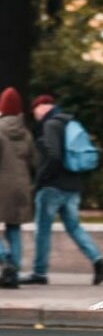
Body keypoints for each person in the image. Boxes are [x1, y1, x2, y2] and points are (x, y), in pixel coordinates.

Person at [20, 95, 103, 286]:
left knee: (42, 230)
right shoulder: (70, 122)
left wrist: (40, 181)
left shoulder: (51, 125)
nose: (35, 114)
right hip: (72, 186)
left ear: (42, 106)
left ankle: (39, 273)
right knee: (74, 227)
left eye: (35, 110)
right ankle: (97, 259)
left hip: (52, 187)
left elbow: (53, 156)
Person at [0, 87, 37, 288]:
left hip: (2, 186)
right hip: (21, 187)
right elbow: (34, 161)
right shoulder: (26, 133)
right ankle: (12, 274)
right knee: (14, 228)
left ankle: (5, 259)